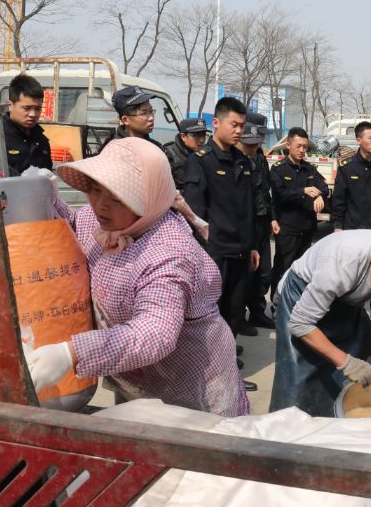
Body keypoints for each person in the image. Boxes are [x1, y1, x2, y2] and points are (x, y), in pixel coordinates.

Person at [25, 138, 249, 417]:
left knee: (188, 440)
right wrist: (46, 196)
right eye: (95, 189)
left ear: (150, 198)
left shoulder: (169, 254)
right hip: (135, 376)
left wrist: (71, 353)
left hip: (191, 385)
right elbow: (75, 225)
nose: (101, 206)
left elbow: (155, 332)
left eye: (118, 198)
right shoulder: (103, 220)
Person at [269, 221, 371, 416]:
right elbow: (300, 323)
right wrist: (346, 363)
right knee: (298, 396)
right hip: (300, 300)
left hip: (343, 304)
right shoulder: (343, 261)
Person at [183, 97, 260, 391]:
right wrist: (201, 252)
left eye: (242, 125)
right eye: (234, 125)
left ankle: (225, 373)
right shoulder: (201, 160)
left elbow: (249, 208)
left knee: (234, 313)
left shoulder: (243, 160)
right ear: (216, 123)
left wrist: (253, 245)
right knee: (209, 314)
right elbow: (195, 212)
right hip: (214, 251)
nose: (239, 131)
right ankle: (204, 375)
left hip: (241, 250)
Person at [269, 127, 329, 305]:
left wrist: (319, 195)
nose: (302, 150)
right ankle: (277, 304)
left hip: (307, 227)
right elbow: (280, 194)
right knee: (283, 268)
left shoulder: (309, 169)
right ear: (288, 145)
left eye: (305, 146)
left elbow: (323, 186)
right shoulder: (278, 169)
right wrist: (303, 190)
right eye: (298, 146)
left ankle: (295, 304)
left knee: (302, 270)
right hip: (287, 227)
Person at [237, 120, 276, 333]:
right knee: (245, 273)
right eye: (257, 136)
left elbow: (266, 192)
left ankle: (257, 311)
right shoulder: (237, 159)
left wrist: (271, 218)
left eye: (261, 136)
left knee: (263, 272)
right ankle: (239, 316)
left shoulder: (260, 158)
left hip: (261, 220)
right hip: (245, 223)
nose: (260, 140)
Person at [332, 121, 371, 232]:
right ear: (359, 140)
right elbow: (339, 199)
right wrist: (338, 225)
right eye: (370, 138)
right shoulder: (347, 168)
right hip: (353, 229)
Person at [2, 73, 52, 176]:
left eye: (38, 108)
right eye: (26, 108)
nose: (33, 114)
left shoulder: (42, 141)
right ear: (10, 105)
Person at [101, 86, 164, 151]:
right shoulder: (114, 149)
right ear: (125, 120)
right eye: (143, 113)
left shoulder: (156, 147)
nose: (151, 118)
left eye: (151, 111)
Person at [162, 117, 210, 190]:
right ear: (183, 136)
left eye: (203, 135)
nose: (201, 140)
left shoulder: (206, 155)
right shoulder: (169, 154)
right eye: (196, 135)